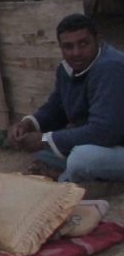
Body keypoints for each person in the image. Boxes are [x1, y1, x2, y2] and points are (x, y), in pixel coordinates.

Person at [9, 14, 124, 184]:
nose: (76, 53)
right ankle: (86, 176)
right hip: (106, 146)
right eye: (68, 47)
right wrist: (29, 124)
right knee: (44, 153)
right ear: (60, 47)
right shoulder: (67, 68)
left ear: (97, 40)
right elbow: (57, 107)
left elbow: (104, 132)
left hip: (115, 143)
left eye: (83, 44)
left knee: (80, 159)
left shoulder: (111, 68)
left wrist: (46, 139)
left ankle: (70, 182)